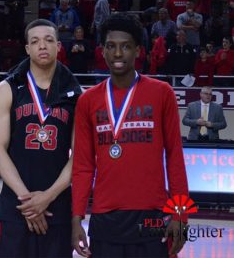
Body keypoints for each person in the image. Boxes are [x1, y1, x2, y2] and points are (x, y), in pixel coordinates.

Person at [72, 13, 189, 258]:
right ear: (102, 51)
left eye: (125, 46)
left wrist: (179, 214)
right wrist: (77, 218)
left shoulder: (162, 93)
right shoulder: (87, 100)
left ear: (138, 51)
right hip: (105, 218)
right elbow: (83, 166)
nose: (117, 54)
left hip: (152, 216)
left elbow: (175, 158)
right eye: (111, 46)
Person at [0, 19, 81, 257]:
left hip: (57, 208)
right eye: (35, 41)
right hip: (16, 207)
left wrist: (47, 197)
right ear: (27, 48)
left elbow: (79, 155)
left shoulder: (75, 94)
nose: (43, 46)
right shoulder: (7, 88)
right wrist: (29, 203)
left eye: (49, 40)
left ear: (59, 46)